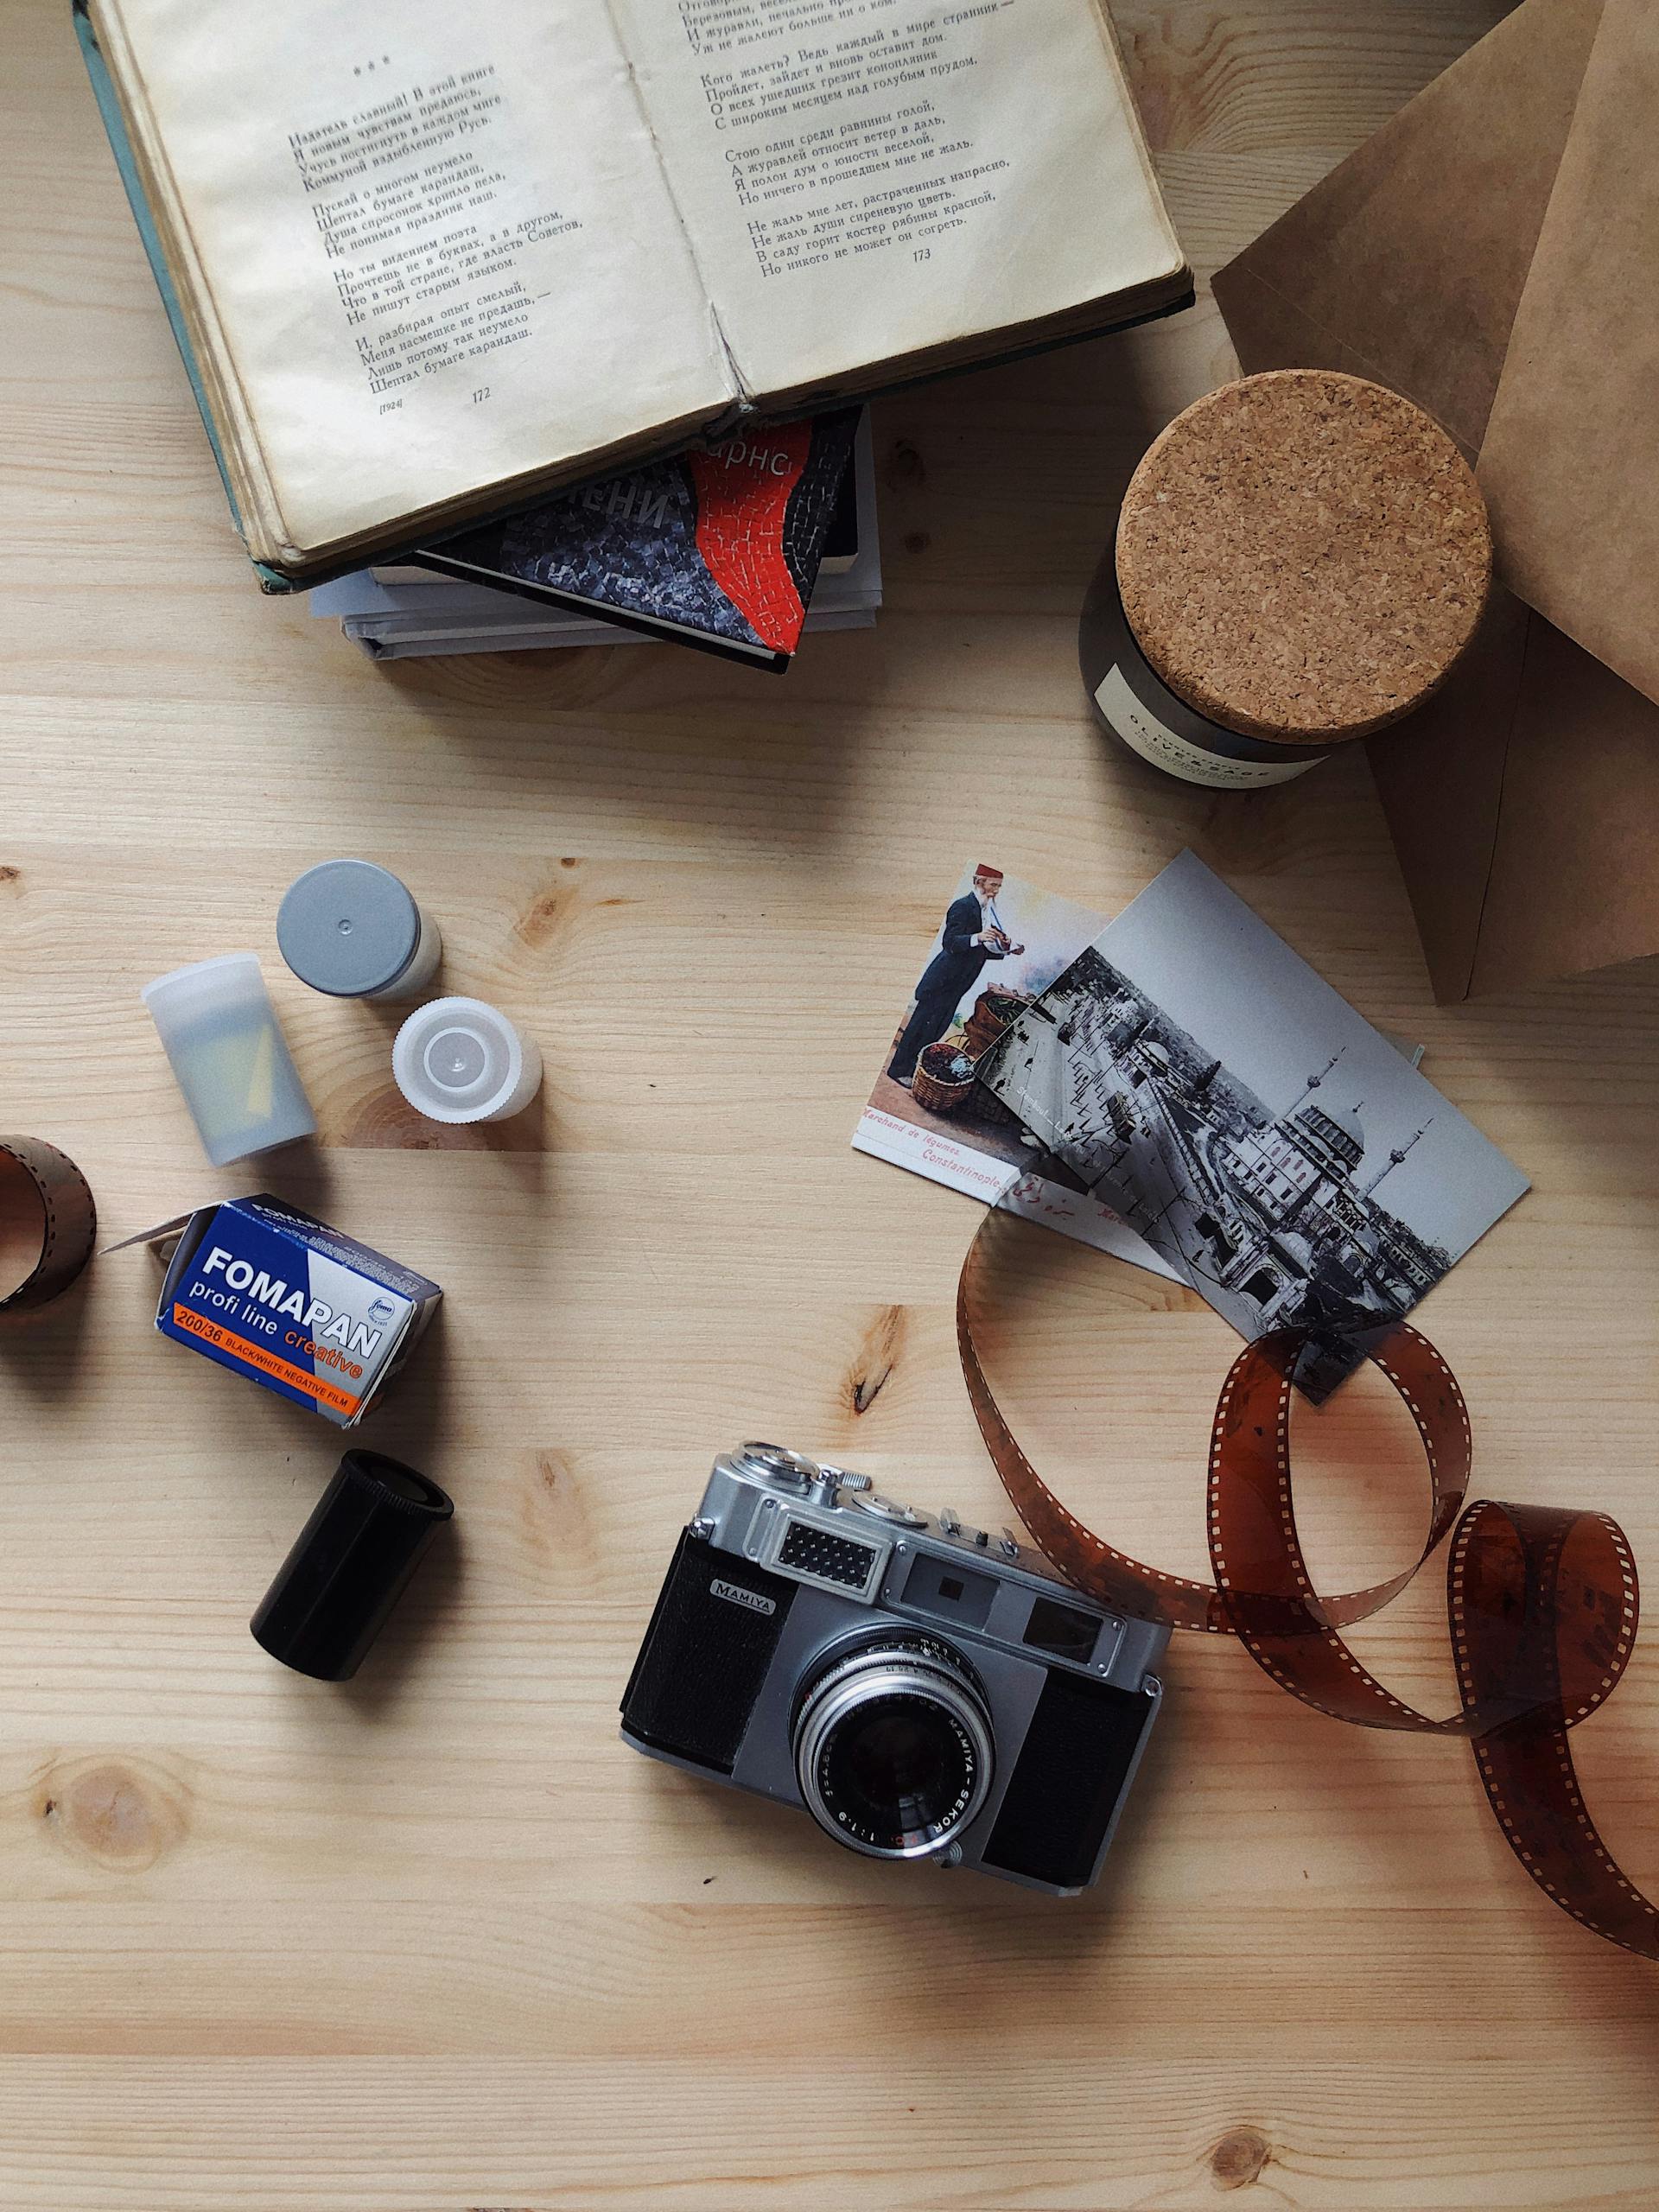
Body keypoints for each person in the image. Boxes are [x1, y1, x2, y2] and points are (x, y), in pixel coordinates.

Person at [888, 865, 1025, 1088]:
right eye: (993, 885)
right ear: (979, 882)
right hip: (942, 981)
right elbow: (950, 943)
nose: (996, 891)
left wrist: (1008, 949)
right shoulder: (962, 906)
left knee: (936, 1029)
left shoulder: (984, 910)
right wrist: (979, 937)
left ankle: (914, 1070)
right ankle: (898, 1070)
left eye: (999, 887)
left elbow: (976, 951)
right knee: (921, 1027)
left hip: (956, 985)